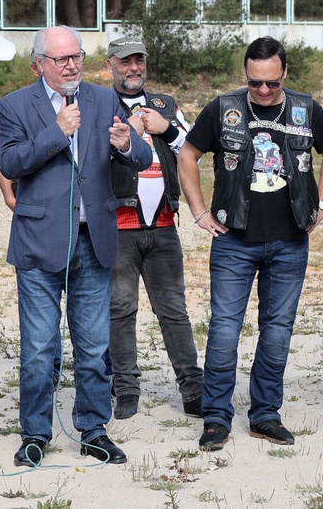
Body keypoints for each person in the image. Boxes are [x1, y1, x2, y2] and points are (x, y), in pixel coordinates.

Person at [0, 26, 153, 467]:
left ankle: (94, 429)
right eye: (61, 59)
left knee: (94, 346)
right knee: (39, 348)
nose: (71, 66)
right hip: (39, 242)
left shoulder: (104, 100)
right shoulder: (14, 105)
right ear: (38, 65)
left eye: (76, 56)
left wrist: (128, 145)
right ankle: (35, 433)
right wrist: (56, 132)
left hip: (93, 240)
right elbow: (9, 162)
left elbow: (141, 157)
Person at [177, 36, 323, 452]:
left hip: (290, 241)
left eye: (271, 82)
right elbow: (187, 154)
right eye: (255, 82)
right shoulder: (223, 108)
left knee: (277, 331)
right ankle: (216, 418)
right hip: (234, 240)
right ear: (246, 75)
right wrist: (199, 211)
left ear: (285, 72)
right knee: (224, 330)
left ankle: (265, 414)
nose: (264, 90)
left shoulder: (305, 108)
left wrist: (321, 203)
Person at [104, 37, 203, 420]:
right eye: (125, 61)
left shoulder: (165, 105)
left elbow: (193, 153)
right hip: (119, 225)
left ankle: (193, 389)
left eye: (139, 61)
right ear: (110, 65)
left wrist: (168, 130)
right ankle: (126, 389)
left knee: (174, 311)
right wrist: (127, 131)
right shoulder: (99, 104)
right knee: (120, 310)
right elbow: (89, 157)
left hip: (163, 224)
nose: (134, 68)